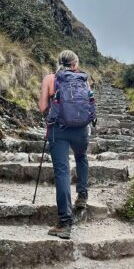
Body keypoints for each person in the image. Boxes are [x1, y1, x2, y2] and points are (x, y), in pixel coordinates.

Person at [38, 49, 95, 239]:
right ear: (75, 64)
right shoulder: (83, 79)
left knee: (62, 172)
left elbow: (42, 107)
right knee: (81, 157)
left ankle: (65, 223)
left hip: (58, 130)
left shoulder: (50, 79)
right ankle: (83, 195)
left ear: (59, 62)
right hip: (80, 130)